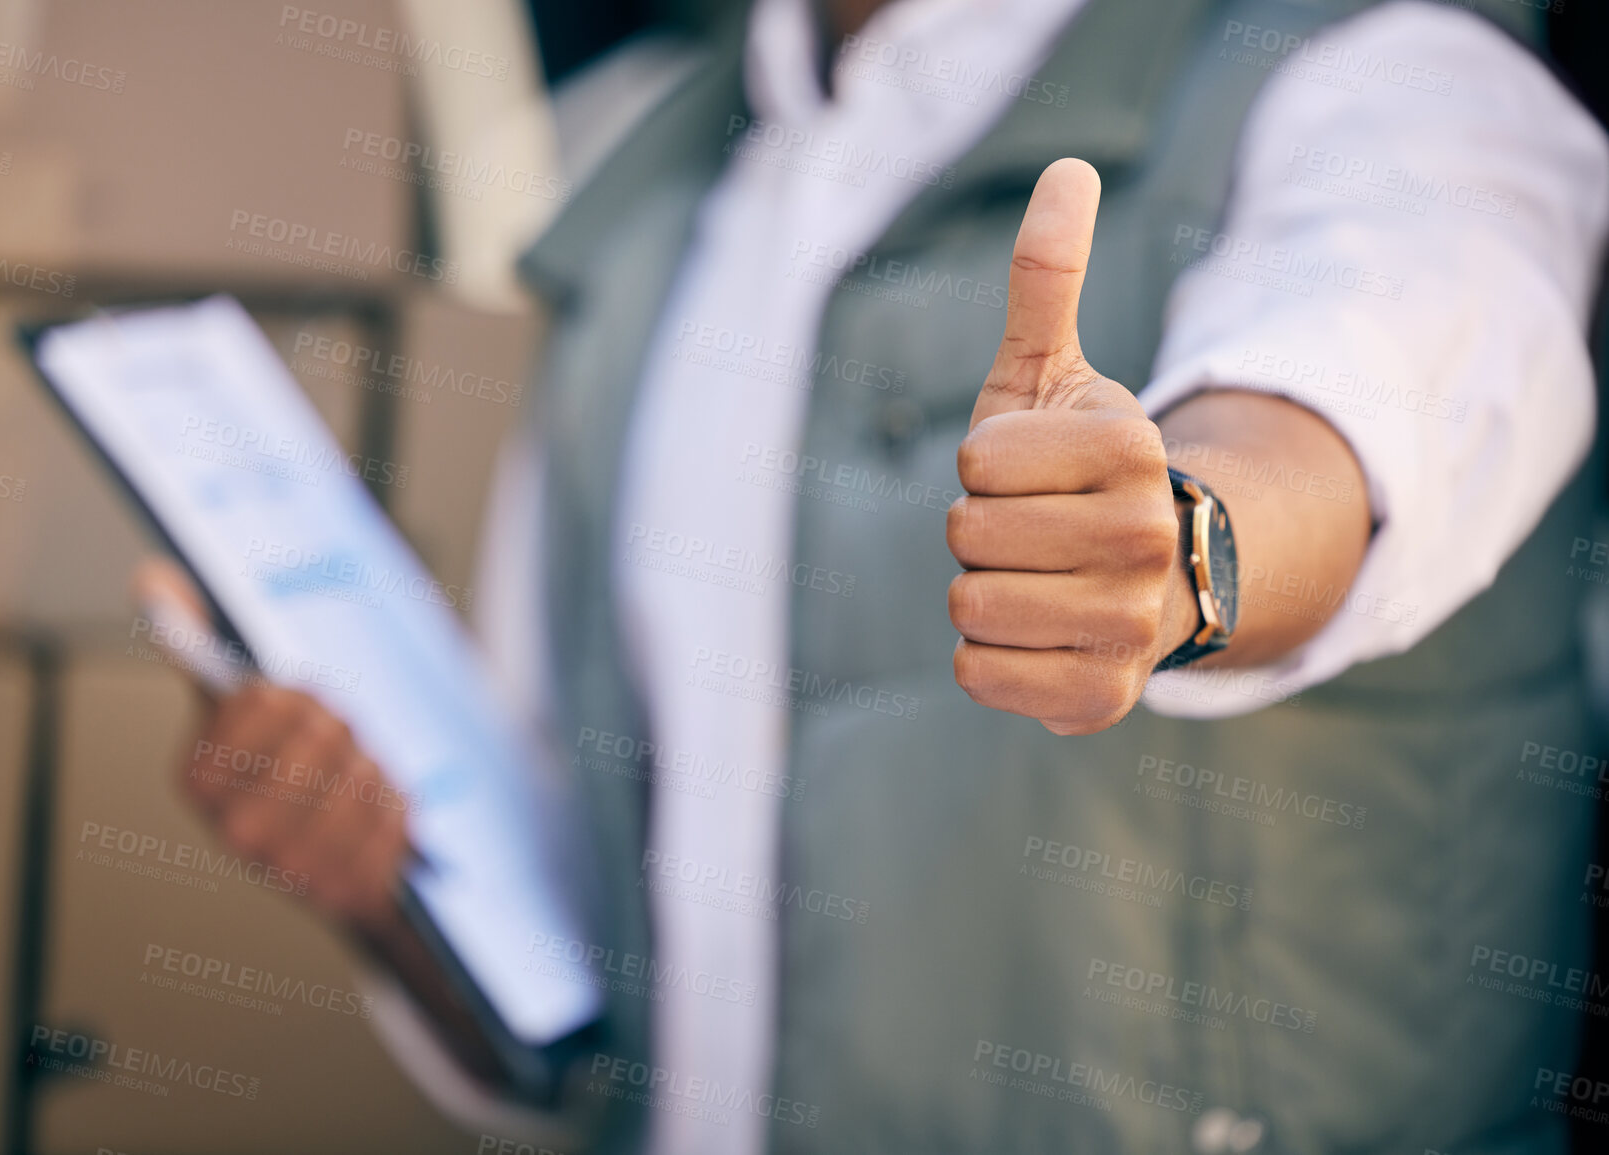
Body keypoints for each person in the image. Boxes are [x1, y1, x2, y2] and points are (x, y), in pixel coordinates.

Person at [152, 0, 1609, 1151]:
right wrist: (386, 891)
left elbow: (1376, 389)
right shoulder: (642, 180)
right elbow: (594, 971)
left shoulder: (1386, 80)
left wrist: (1184, 543)